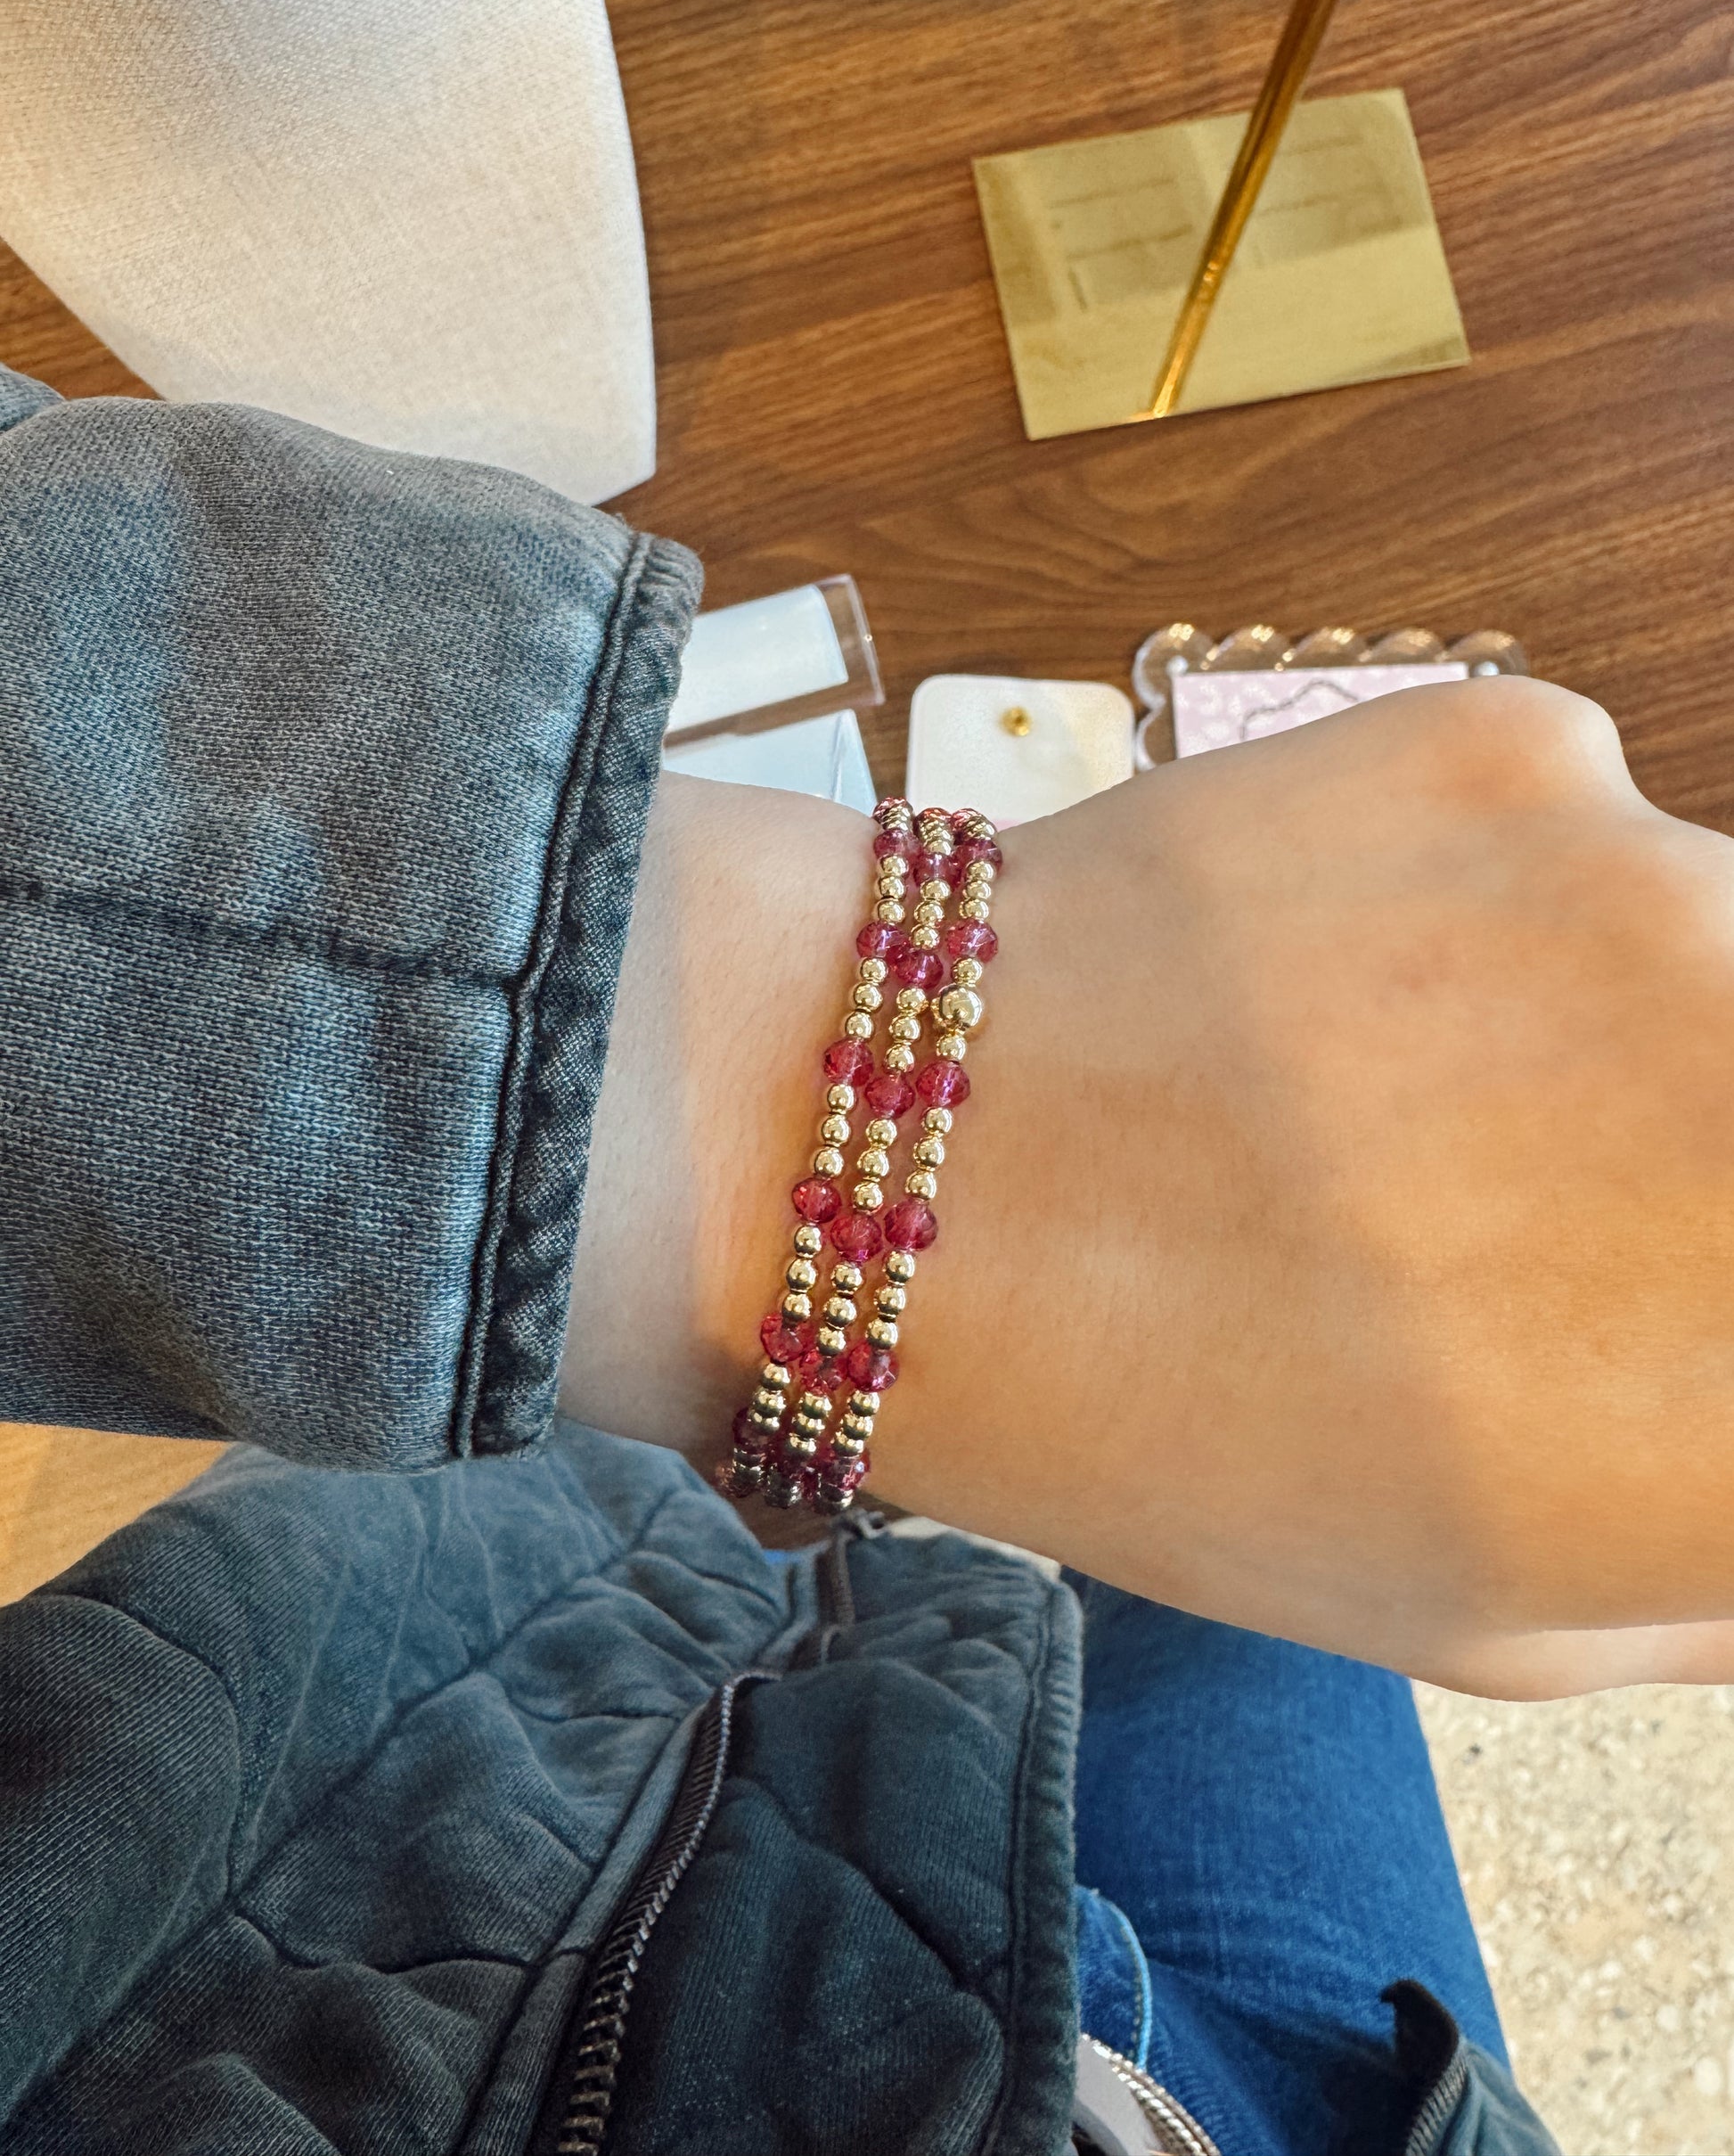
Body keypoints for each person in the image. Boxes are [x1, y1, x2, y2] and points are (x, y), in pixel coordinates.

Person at [6, 357, 1731, 2154]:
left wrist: (718, 1100)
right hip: (1345, 2103)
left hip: (474, 1870)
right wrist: (735, 1073)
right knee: (1312, 1508)